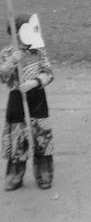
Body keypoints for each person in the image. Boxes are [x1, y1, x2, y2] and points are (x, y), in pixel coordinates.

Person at [1, 14, 54, 191]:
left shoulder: (38, 51)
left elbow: (49, 73)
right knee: (18, 138)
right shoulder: (8, 53)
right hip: (17, 99)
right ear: (15, 34)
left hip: (37, 98)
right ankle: (15, 175)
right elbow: (2, 77)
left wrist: (35, 82)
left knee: (41, 138)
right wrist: (11, 61)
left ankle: (44, 174)